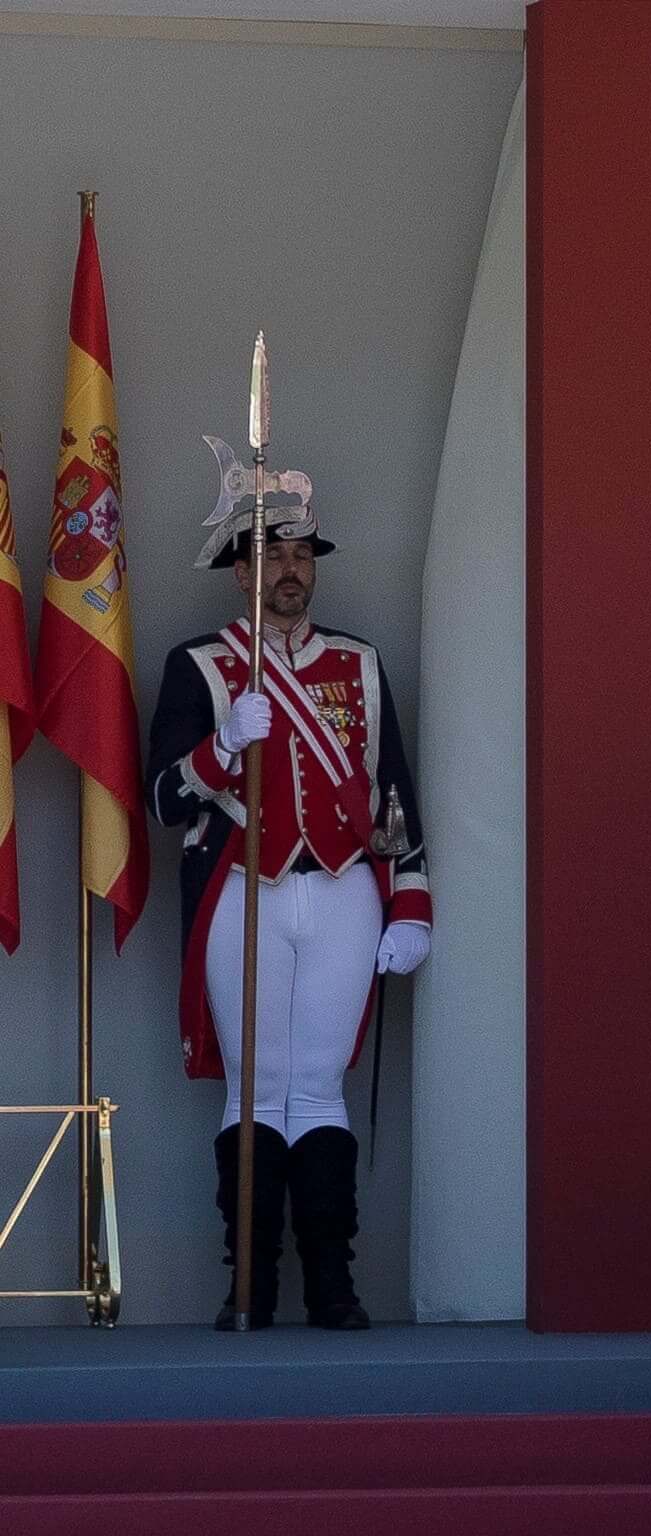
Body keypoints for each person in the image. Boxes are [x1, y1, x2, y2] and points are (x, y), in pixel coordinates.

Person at [143, 478, 430, 1334]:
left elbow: (394, 798)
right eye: (274, 556)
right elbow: (161, 800)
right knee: (257, 1086)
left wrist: (411, 903)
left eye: (303, 555)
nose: (292, 571)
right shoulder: (201, 664)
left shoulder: (359, 664)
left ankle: (332, 1286)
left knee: (319, 1088)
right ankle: (252, 1287)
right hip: (244, 891)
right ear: (241, 572)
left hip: (344, 891)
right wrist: (223, 745)